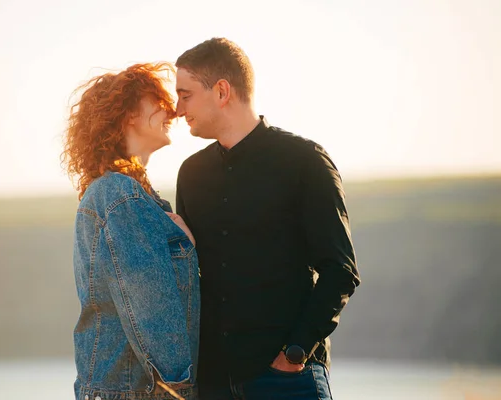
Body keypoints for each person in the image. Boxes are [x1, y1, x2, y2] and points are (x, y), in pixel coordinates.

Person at [174, 38, 361, 399]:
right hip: (213, 382)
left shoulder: (304, 162)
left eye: (186, 95)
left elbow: (340, 269)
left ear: (222, 91)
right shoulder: (191, 173)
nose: (178, 109)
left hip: (287, 379)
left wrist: (295, 351)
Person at [61, 62, 200, 400]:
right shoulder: (119, 195)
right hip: (134, 391)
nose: (172, 110)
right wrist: (180, 387)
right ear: (129, 116)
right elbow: (149, 303)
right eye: (158, 100)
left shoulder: (137, 197)